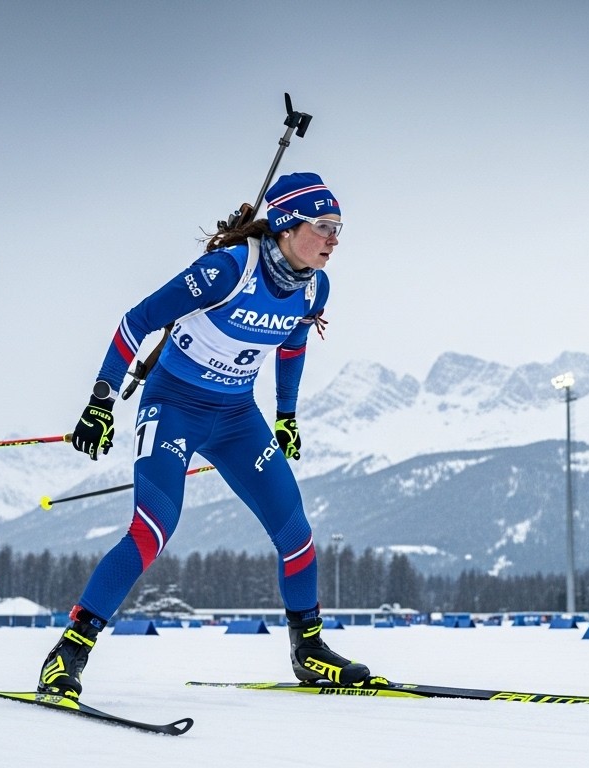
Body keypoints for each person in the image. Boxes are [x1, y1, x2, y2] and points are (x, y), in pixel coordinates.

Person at [36, 172, 377, 700]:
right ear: (288, 226)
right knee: (152, 529)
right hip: (174, 408)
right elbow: (136, 321)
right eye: (325, 226)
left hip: (238, 417)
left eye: (340, 228)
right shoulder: (227, 270)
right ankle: (69, 653)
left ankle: (308, 650)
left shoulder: (315, 285)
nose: (335, 238)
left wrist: (286, 416)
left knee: (296, 532)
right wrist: (100, 402)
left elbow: (291, 346)